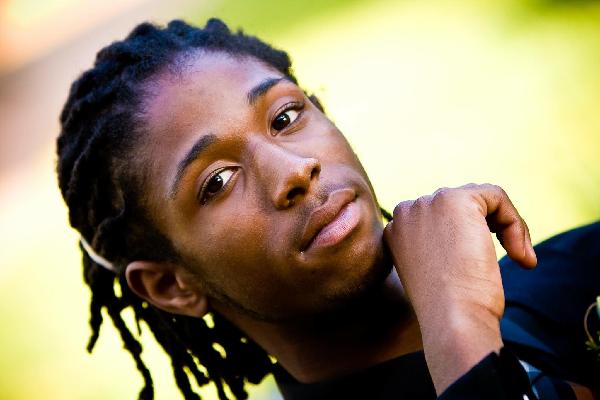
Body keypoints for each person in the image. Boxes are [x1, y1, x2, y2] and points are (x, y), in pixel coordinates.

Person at [56, 19, 599, 400]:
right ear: (171, 285)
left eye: (286, 117)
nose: (293, 171)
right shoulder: (467, 324)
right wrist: (460, 331)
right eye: (217, 181)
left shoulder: (572, 275)